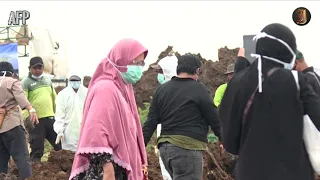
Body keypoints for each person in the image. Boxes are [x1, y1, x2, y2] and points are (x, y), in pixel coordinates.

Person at [219, 23, 320, 180]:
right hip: (292, 172)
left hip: (248, 172)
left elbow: (230, 142)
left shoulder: (236, 82)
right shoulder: (295, 81)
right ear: (287, 51)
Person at [69, 38, 149, 180]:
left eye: (141, 63)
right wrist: (108, 169)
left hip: (118, 168)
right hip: (106, 171)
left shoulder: (123, 89)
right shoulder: (106, 89)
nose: (139, 68)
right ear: (121, 60)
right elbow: (96, 132)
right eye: (136, 63)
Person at [143, 54, 222, 180]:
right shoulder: (199, 89)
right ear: (197, 70)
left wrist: (141, 147)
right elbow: (213, 117)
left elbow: (151, 121)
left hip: (165, 149)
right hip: (186, 149)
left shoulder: (161, 90)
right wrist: (224, 139)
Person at [0, 61, 39, 179]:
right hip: (12, 125)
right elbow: (20, 97)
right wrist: (31, 109)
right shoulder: (12, 82)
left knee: (1, 160)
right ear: (12, 74)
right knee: (22, 157)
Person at [21, 56, 62, 162]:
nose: (38, 70)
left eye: (40, 68)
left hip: (50, 118)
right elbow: (22, 101)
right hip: (36, 120)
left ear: (43, 68)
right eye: (35, 68)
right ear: (30, 68)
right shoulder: (26, 82)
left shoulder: (47, 80)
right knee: (37, 150)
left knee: (59, 146)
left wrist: (56, 115)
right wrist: (27, 117)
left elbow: (54, 98)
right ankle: (34, 173)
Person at [150, 55, 178, 180]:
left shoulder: (180, 91)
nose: (159, 75)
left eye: (161, 71)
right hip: (164, 139)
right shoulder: (162, 91)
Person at [53, 73, 88, 152]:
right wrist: (60, 131)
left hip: (85, 133)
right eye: (72, 80)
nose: (75, 82)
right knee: (69, 159)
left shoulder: (87, 93)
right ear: (69, 80)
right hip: (68, 134)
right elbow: (60, 115)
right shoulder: (63, 95)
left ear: (81, 80)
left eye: (77, 80)